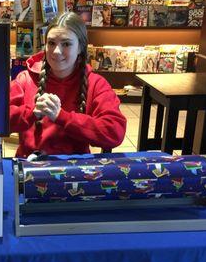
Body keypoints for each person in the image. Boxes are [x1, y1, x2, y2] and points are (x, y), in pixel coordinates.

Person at [9, 12, 126, 157]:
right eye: (51, 43)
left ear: (80, 48)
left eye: (66, 44)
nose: (56, 51)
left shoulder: (96, 84)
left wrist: (62, 117)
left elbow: (115, 132)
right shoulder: (25, 79)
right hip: (28, 168)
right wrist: (31, 112)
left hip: (75, 170)